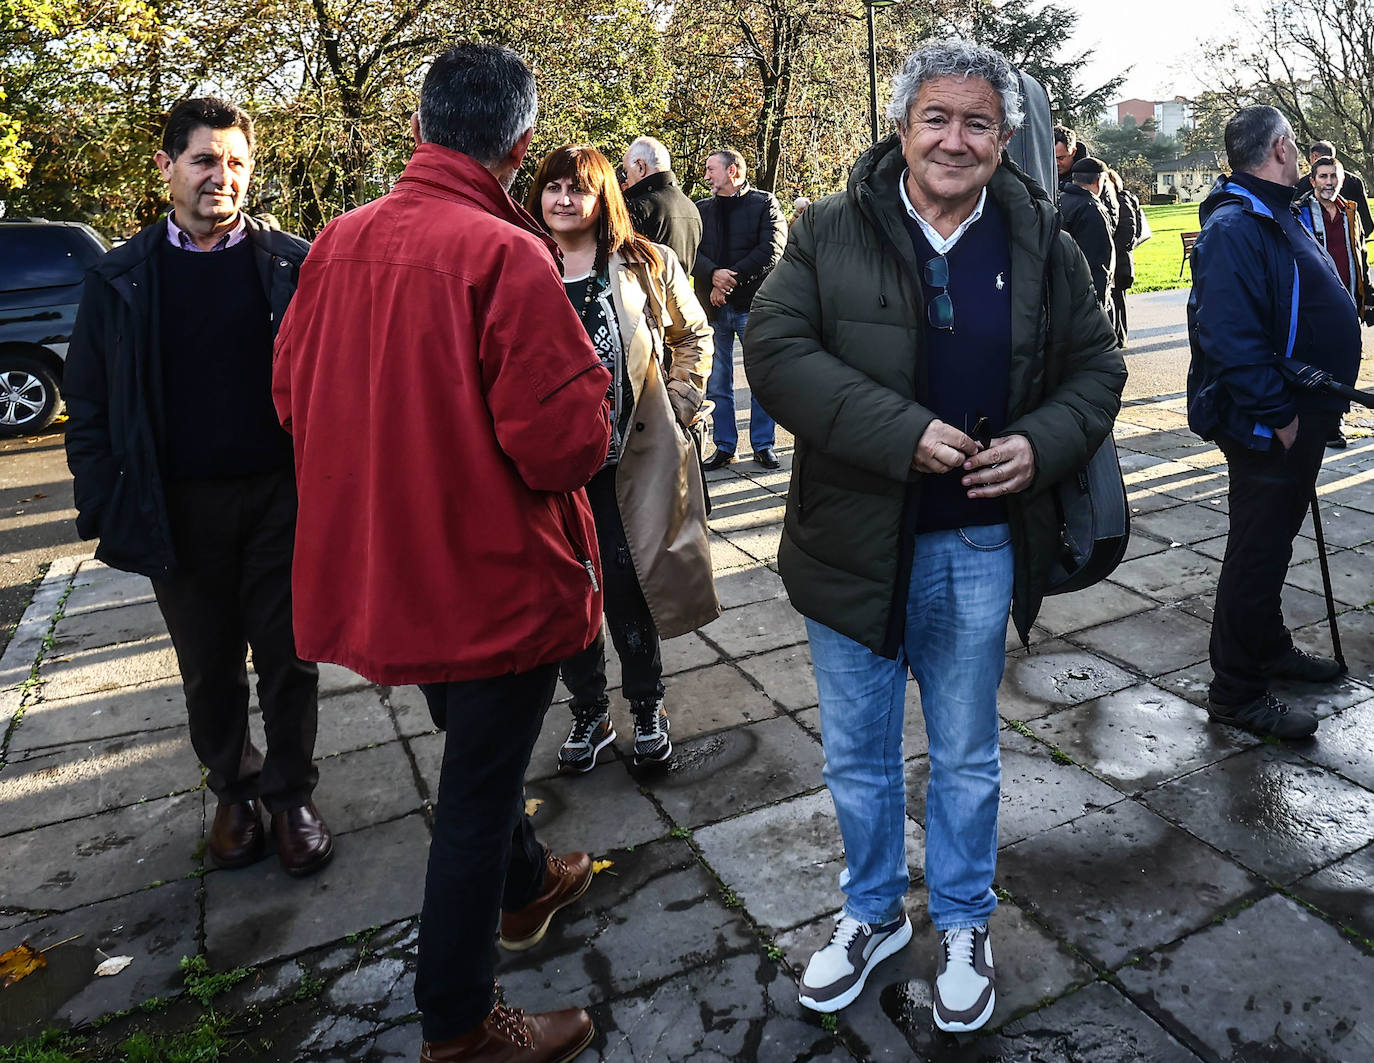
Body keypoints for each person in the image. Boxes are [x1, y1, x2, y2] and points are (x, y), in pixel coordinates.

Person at [745, 40, 1123, 1031]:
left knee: (964, 753)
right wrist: (900, 431)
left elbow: (1098, 369)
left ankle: (961, 919)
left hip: (980, 544)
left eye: (978, 123)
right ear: (904, 127)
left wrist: (1041, 443)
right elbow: (773, 351)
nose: (956, 140)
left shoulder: (1044, 240)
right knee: (857, 756)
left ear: (1004, 137)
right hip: (850, 543)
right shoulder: (827, 228)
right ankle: (871, 911)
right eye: (937, 118)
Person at [272, 44, 612, 1062]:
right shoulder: (506, 255)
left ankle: (527, 882)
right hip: (493, 580)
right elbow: (563, 447)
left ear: (420, 129)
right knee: (475, 794)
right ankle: (460, 1022)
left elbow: (289, 395)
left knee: (478, 755)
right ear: (519, 145)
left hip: (392, 566)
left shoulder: (336, 240)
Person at [64, 97, 331, 879]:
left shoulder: (293, 265)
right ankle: (235, 790)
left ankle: (291, 796)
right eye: (206, 159)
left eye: (237, 161)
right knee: (208, 666)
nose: (223, 175)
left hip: (282, 498)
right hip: (175, 506)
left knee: (289, 658)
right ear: (168, 167)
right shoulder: (121, 277)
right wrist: (104, 499)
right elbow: (89, 400)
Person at [526, 144, 720, 775]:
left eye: (577, 189)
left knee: (628, 588)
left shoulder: (646, 262)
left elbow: (693, 334)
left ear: (602, 196)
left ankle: (646, 706)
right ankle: (589, 712)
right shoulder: (523, 263)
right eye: (553, 187)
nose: (563, 200)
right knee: (567, 597)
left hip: (625, 463)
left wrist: (682, 403)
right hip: (550, 475)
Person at [1187, 106, 1357, 742]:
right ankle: (1235, 690)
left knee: (1273, 542)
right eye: (1294, 142)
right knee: (1256, 552)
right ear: (1282, 147)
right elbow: (1228, 334)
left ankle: (1268, 648)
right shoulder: (1235, 224)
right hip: (1269, 422)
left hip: (1299, 415)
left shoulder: (1275, 210)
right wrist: (1279, 414)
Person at [693, 149, 787, 470]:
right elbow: (691, 250)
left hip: (753, 306)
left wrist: (727, 281)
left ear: (732, 170)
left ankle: (763, 444)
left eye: (711, 169)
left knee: (761, 377)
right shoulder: (701, 209)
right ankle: (724, 446)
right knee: (717, 381)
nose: (706, 176)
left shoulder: (764, 203)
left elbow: (772, 249)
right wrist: (712, 276)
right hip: (713, 309)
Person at [1295, 154, 1374, 448]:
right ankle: (1321, 422)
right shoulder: (1299, 213)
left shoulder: (1350, 212)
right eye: (1323, 176)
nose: (1329, 182)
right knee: (1318, 363)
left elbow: (1361, 255)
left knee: (1346, 362)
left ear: (1342, 180)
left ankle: (1335, 418)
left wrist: (1368, 296)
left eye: (1334, 177)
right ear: (1312, 180)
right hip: (1314, 305)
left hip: (1348, 303)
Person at [620, 135, 702, 273]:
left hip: (648, 285)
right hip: (681, 286)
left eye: (626, 171)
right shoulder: (691, 207)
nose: (626, 179)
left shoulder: (639, 208)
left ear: (640, 167)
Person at [1059, 156, 1116, 312]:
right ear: (1099, 182)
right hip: (1086, 298)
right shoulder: (1091, 209)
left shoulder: (1061, 201)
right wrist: (1100, 304)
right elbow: (1098, 261)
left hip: (1063, 291)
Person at [1296, 139, 1374, 239]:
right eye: (1323, 176)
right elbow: (1367, 225)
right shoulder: (1355, 182)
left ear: (1314, 156)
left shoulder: (1303, 184)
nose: (1329, 182)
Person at [1105, 169, 1140, 348]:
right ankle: (1119, 335)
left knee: (1118, 298)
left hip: (1120, 260)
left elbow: (1128, 231)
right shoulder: (1122, 200)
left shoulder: (1121, 201)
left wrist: (1111, 248)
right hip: (1121, 259)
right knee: (1118, 298)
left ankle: (1120, 336)